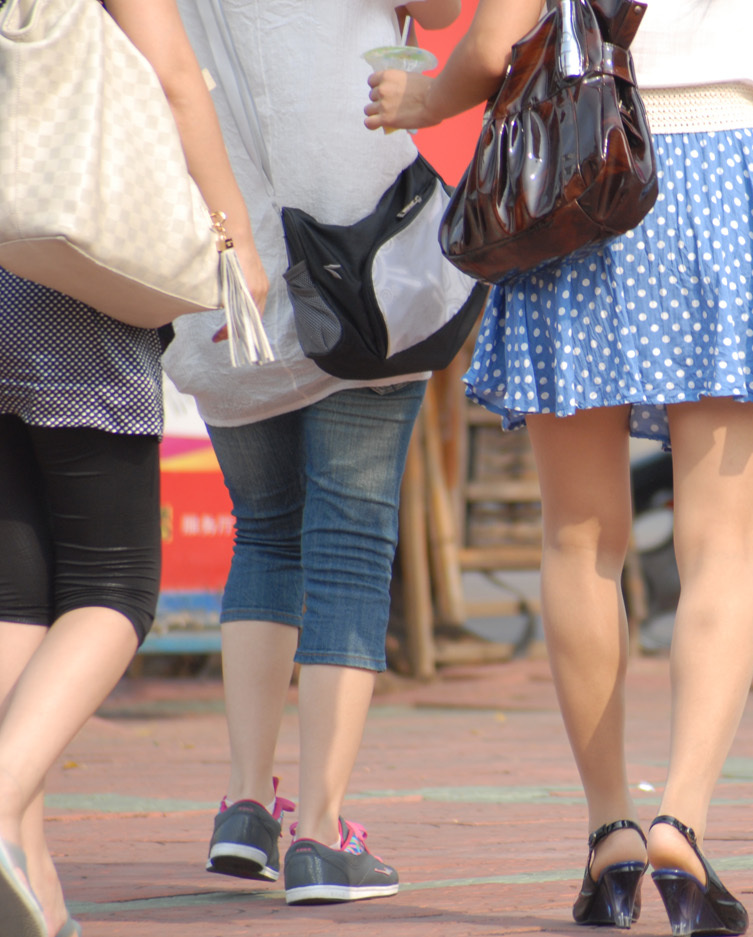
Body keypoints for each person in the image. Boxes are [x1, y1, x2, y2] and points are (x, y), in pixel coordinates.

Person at [365, 0, 753, 932]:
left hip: (583, 177)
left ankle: (611, 830)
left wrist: (418, 99)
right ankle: (683, 815)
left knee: (579, 539)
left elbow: (485, 49)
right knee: (721, 552)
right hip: (727, 179)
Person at [161, 0, 460, 907]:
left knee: (265, 533)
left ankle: (247, 806)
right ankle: (324, 834)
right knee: (350, 543)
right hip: (360, 249)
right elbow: (442, 11)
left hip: (225, 257)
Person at [0, 0, 269, 934]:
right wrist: (234, 240)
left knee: (17, 595)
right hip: (61, 272)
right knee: (116, 585)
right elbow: (177, 78)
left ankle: (35, 883)